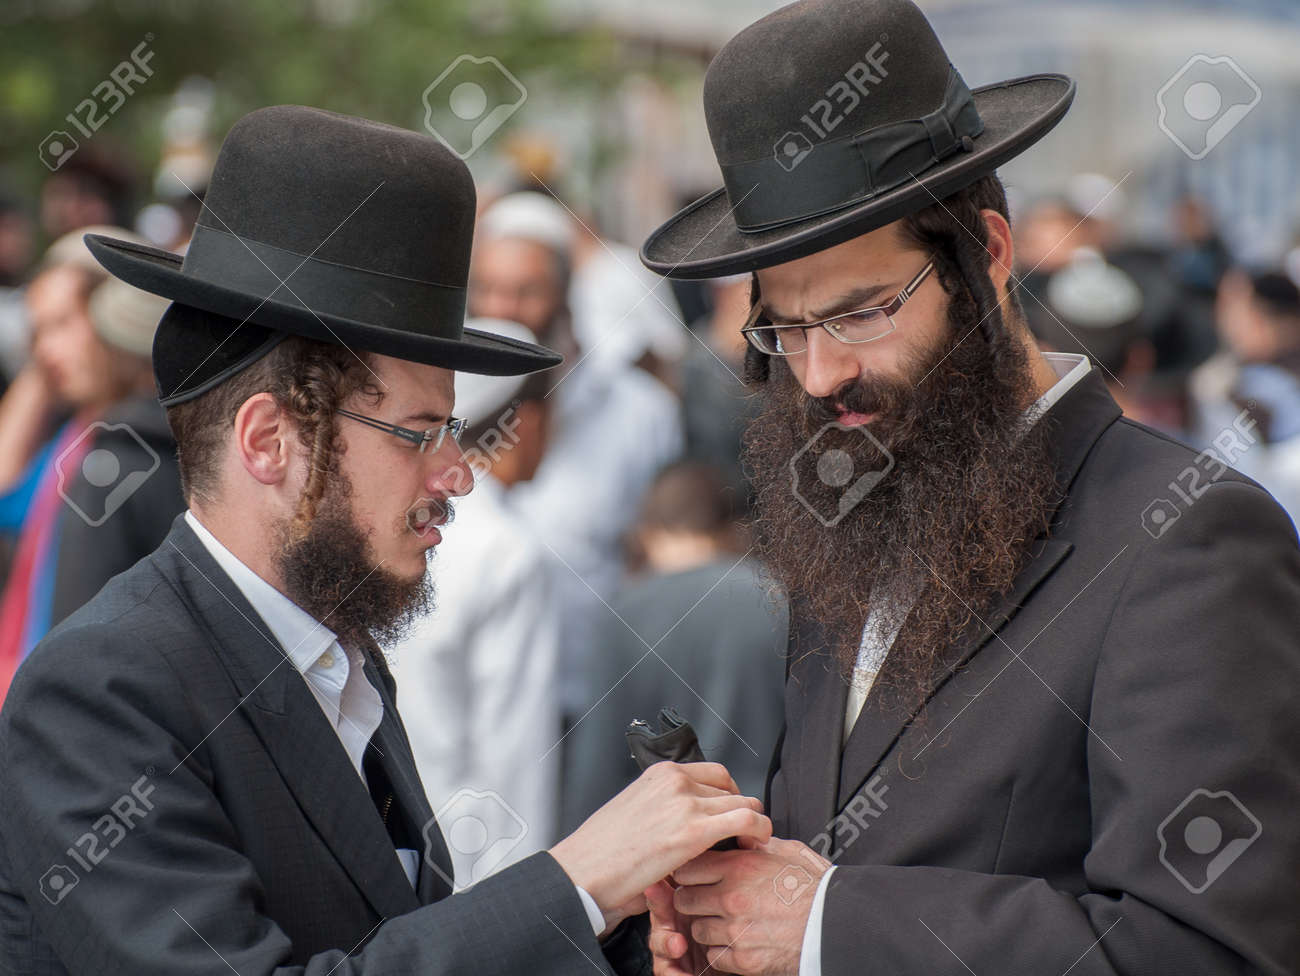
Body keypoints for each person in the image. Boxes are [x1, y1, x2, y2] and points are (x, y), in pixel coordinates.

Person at [0, 105, 769, 976]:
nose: (458, 472)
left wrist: (632, 937)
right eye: (417, 432)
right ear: (268, 442)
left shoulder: (340, 661)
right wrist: (576, 883)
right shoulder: (100, 694)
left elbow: (393, 947)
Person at [636, 1, 1300, 973]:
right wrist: (730, 923)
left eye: (860, 311)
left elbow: (1212, 951)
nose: (817, 375)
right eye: (782, 330)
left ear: (986, 256)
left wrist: (827, 927)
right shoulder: (861, 500)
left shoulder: (1188, 538)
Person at [470, 191, 683, 718]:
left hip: (601, 700)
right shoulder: (439, 410)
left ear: (566, 294)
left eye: (525, 292)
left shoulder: (638, 411)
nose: (502, 311)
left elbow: (664, 560)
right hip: (474, 706)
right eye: (488, 290)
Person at [389, 317, 566, 872]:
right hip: (470, 876)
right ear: (529, 423)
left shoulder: (389, 521)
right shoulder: (505, 551)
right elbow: (515, 761)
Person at [562, 461, 787, 835]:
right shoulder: (777, 600)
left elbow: (596, 766)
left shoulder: (625, 614)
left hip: (666, 846)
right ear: (732, 529)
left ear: (646, 531)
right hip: (766, 833)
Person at [0, 233, 179, 695]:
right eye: (36, 332)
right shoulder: (70, 437)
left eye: (61, 324)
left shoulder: (137, 452)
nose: (44, 350)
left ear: (113, 317)